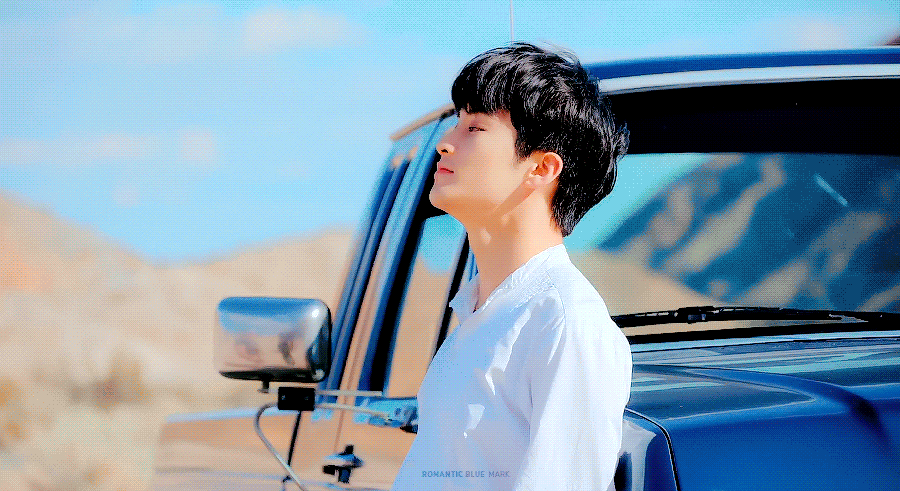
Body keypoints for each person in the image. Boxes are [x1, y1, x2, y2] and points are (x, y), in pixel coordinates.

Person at [391, 43, 632, 491]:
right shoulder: (480, 312)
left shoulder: (565, 322)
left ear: (541, 168)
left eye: (475, 127)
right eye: (457, 123)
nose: (445, 142)